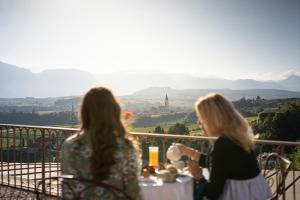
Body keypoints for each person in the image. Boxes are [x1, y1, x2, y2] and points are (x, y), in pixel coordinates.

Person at [175, 93, 271, 200]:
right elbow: (217, 164)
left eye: (201, 118)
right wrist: (188, 152)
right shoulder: (237, 138)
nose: (199, 123)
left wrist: (198, 175)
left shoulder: (223, 146)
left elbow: (213, 192)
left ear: (213, 119)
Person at [61, 86, 141, 200]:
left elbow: (67, 189)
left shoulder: (70, 146)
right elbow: (133, 191)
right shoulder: (126, 147)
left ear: (84, 112)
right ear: (114, 111)